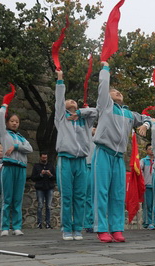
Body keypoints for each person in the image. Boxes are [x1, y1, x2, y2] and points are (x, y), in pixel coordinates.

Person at [93, 61, 151, 243]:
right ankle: (101, 228)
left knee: (118, 194)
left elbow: (148, 118)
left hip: (119, 158)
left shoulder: (129, 114)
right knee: (101, 192)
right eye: (114, 91)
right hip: (103, 152)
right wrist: (105, 68)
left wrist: (146, 125)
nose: (118, 92)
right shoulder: (105, 106)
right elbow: (103, 87)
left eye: (120, 92)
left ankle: (117, 229)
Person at [55, 70, 97, 241]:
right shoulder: (61, 118)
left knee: (80, 196)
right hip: (65, 160)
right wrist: (60, 80)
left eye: (74, 100)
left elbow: (95, 111)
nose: (71, 101)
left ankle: (77, 229)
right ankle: (66, 228)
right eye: (68, 100)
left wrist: (80, 113)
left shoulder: (84, 121)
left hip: (81, 162)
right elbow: (58, 99)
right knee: (67, 196)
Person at [0, 104, 33, 236]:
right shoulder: (4, 134)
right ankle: (5, 227)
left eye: (17, 122)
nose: (14, 123)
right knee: (7, 198)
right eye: (12, 121)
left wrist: (16, 147)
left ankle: (17, 226)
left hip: (21, 168)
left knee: (18, 198)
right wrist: (4, 106)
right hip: (9, 167)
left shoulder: (22, 138)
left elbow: (30, 149)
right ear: (7, 122)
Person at [31, 152, 56, 229]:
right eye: (43, 158)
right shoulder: (36, 166)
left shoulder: (51, 166)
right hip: (40, 188)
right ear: (40, 158)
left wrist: (50, 175)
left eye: (45, 158)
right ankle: (39, 223)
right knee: (40, 205)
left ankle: (48, 223)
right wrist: (41, 174)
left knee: (48, 206)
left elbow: (55, 178)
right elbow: (33, 178)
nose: (44, 159)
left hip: (49, 187)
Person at [84, 126, 97, 233]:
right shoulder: (86, 138)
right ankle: (88, 222)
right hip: (87, 167)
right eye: (93, 127)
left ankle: (97, 222)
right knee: (88, 197)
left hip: (98, 168)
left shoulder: (99, 140)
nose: (94, 129)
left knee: (98, 196)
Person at [140, 143, 155, 230]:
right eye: (149, 148)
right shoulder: (144, 160)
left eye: (153, 148)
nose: (151, 150)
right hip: (147, 185)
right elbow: (138, 168)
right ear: (146, 151)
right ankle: (147, 222)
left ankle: (154, 221)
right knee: (147, 205)